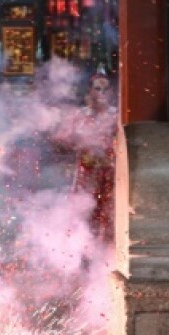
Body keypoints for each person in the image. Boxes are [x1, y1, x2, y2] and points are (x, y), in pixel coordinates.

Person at [51, 69, 118, 242]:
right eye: (97, 89)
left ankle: (107, 254)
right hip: (87, 173)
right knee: (85, 214)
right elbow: (62, 141)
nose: (102, 93)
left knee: (110, 214)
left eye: (105, 89)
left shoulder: (117, 116)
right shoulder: (80, 115)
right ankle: (84, 252)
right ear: (90, 91)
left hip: (110, 174)